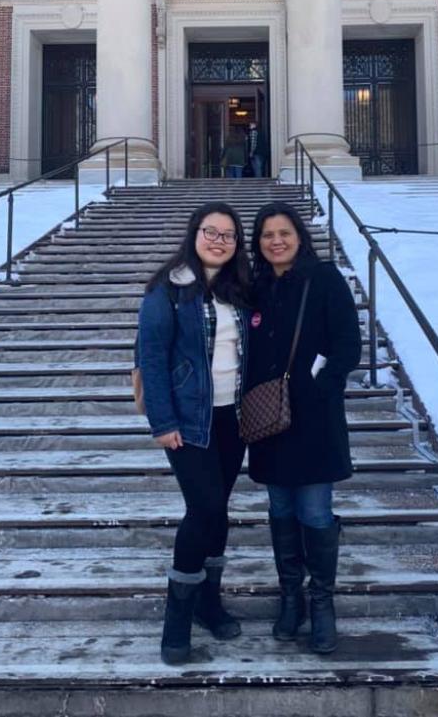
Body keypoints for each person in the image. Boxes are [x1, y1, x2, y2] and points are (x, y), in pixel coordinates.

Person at [137, 202, 251, 665]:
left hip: (234, 418)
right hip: (189, 421)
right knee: (203, 510)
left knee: (218, 511)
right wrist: (162, 423)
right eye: (211, 232)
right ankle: (177, 618)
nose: (219, 240)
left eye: (228, 235)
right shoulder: (169, 289)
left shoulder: (240, 289)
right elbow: (152, 358)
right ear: (194, 233)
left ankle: (209, 602)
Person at [246, 202, 361, 654]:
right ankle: (290, 597)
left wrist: (321, 388)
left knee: (314, 511)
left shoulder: (324, 278)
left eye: (284, 233)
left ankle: (322, 602)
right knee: (279, 508)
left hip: (313, 419)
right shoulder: (254, 288)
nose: (276, 241)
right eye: (267, 235)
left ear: (299, 236)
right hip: (268, 419)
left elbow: (348, 344)